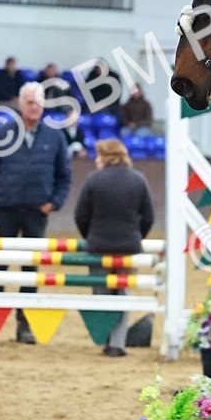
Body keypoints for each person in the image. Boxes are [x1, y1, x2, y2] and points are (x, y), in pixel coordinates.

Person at [0, 81, 72, 343]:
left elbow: (64, 177)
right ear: (20, 104)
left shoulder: (55, 137)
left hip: (36, 213)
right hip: (4, 212)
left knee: (30, 271)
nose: (34, 108)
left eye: (39, 103)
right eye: (30, 103)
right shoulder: (2, 133)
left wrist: (54, 202)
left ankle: (25, 326)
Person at [74, 138, 155, 357]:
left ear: (107, 157)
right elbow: (148, 216)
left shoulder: (93, 180)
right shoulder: (138, 179)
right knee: (123, 293)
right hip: (128, 247)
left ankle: (106, 337)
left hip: (98, 246)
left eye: (98, 156)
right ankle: (117, 344)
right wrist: (136, 236)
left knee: (101, 293)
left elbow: (80, 215)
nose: (96, 160)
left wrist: (90, 236)